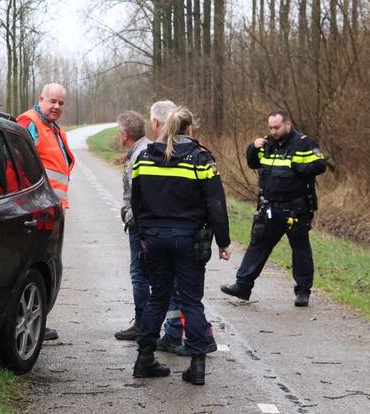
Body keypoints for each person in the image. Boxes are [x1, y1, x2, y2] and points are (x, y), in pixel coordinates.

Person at [130, 106, 231, 385]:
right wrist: (223, 242)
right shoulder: (200, 159)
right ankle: (197, 366)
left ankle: (144, 359)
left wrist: (143, 232)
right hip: (188, 240)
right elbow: (216, 204)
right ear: (190, 129)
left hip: (155, 237)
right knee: (191, 301)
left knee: (157, 298)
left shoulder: (145, 157)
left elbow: (136, 200)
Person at [221, 110, 327, 307]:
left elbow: (320, 165)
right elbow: (253, 162)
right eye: (270, 127)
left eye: (277, 127)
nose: (273, 131)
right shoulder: (267, 143)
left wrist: (298, 167)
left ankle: (303, 292)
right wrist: (253, 147)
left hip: (296, 209)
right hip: (270, 207)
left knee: (300, 250)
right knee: (257, 245)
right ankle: (242, 286)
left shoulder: (304, 143)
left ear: (287, 125)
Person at [18, 83, 75, 341]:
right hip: (33, 211)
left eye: (61, 103)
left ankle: (38, 320)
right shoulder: (29, 123)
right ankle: (29, 322)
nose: (57, 107)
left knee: (47, 266)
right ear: (40, 99)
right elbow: (18, 167)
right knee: (34, 267)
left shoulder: (51, 128)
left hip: (50, 211)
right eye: (52, 101)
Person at [114, 109, 150, 341]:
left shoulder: (140, 155)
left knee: (140, 274)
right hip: (146, 224)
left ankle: (142, 323)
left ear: (125, 134)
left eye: (120, 132)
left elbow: (139, 195)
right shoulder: (148, 148)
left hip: (141, 226)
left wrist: (130, 217)